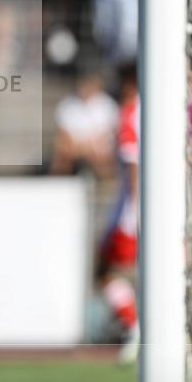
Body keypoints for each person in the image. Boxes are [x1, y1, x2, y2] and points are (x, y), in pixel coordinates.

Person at [96, 62, 140, 363]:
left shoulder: (131, 113)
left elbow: (133, 162)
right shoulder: (162, 111)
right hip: (165, 205)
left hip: (132, 210)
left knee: (104, 272)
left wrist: (135, 209)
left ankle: (136, 327)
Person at [49, 73, 119, 179]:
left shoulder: (108, 104)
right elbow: (65, 134)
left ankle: (107, 185)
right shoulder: (68, 104)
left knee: (104, 155)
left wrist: (92, 145)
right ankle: (60, 183)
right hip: (77, 145)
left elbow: (110, 131)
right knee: (62, 155)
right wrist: (82, 147)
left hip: (99, 146)